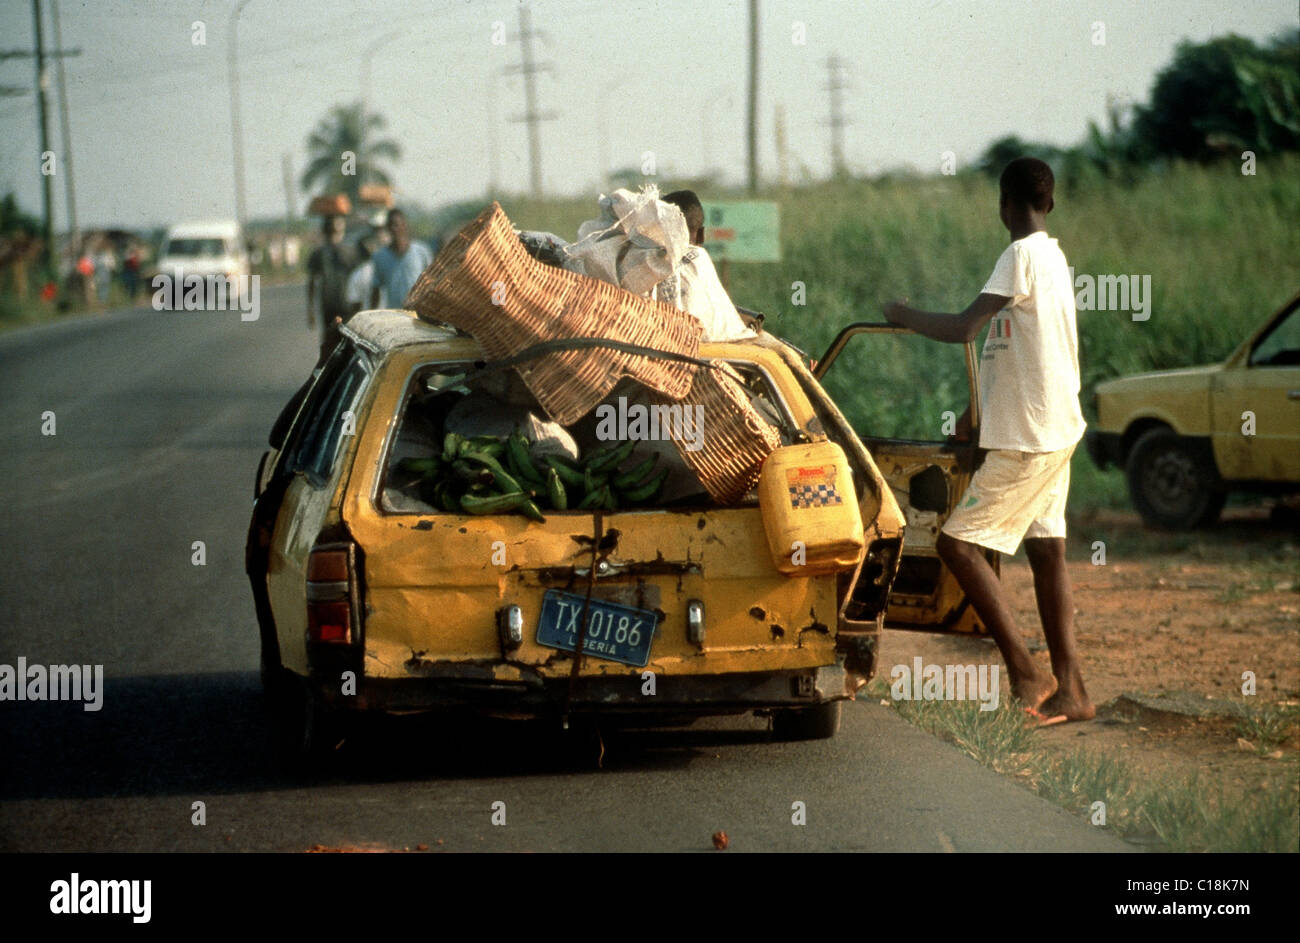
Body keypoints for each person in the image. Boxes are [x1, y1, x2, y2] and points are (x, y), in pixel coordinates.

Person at [882, 157, 1094, 726]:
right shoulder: (1053, 259)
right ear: (1050, 203)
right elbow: (1018, 352)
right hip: (1054, 427)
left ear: (1005, 205)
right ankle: (1072, 689)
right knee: (1047, 552)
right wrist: (978, 414)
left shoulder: (1021, 254)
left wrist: (902, 314)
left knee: (958, 546)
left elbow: (964, 330)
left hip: (1029, 437)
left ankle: (1027, 672)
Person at [655, 190, 753, 341]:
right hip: (731, 343)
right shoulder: (701, 258)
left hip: (676, 347)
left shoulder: (651, 262)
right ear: (701, 235)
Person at [306, 214, 356, 364]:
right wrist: (310, 309)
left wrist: (310, 309)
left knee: (344, 344)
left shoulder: (348, 251)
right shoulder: (320, 253)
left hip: (343, 304)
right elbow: (313, 281)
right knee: (334, 344)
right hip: (335, 304)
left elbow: (312, 283)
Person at [369, 208, 432, 310]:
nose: (394, 229)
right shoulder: (380, 256)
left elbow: (431, 282)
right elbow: (376, 289)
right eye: (391, 226)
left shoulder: (421, 252)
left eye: (397, 224)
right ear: (387, 228)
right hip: (395, 314)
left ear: (405, 226)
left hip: (418, 314)